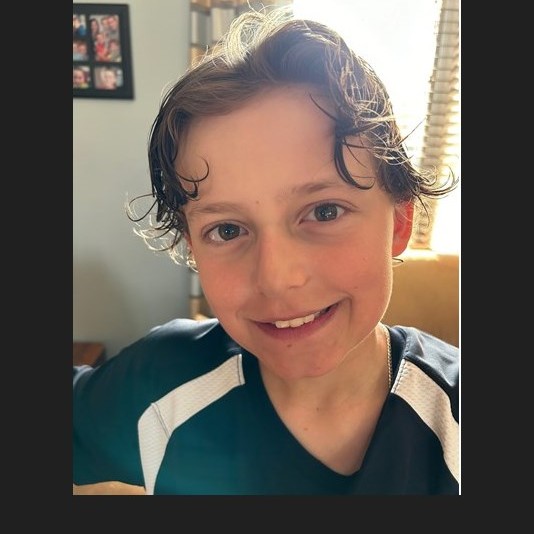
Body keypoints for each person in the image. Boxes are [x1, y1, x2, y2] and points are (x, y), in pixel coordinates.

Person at [73, 7, 459, 495]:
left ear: (399, 222)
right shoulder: (159, 384)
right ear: (193, 247)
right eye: (228, 229)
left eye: (324, 212)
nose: (277, 277)